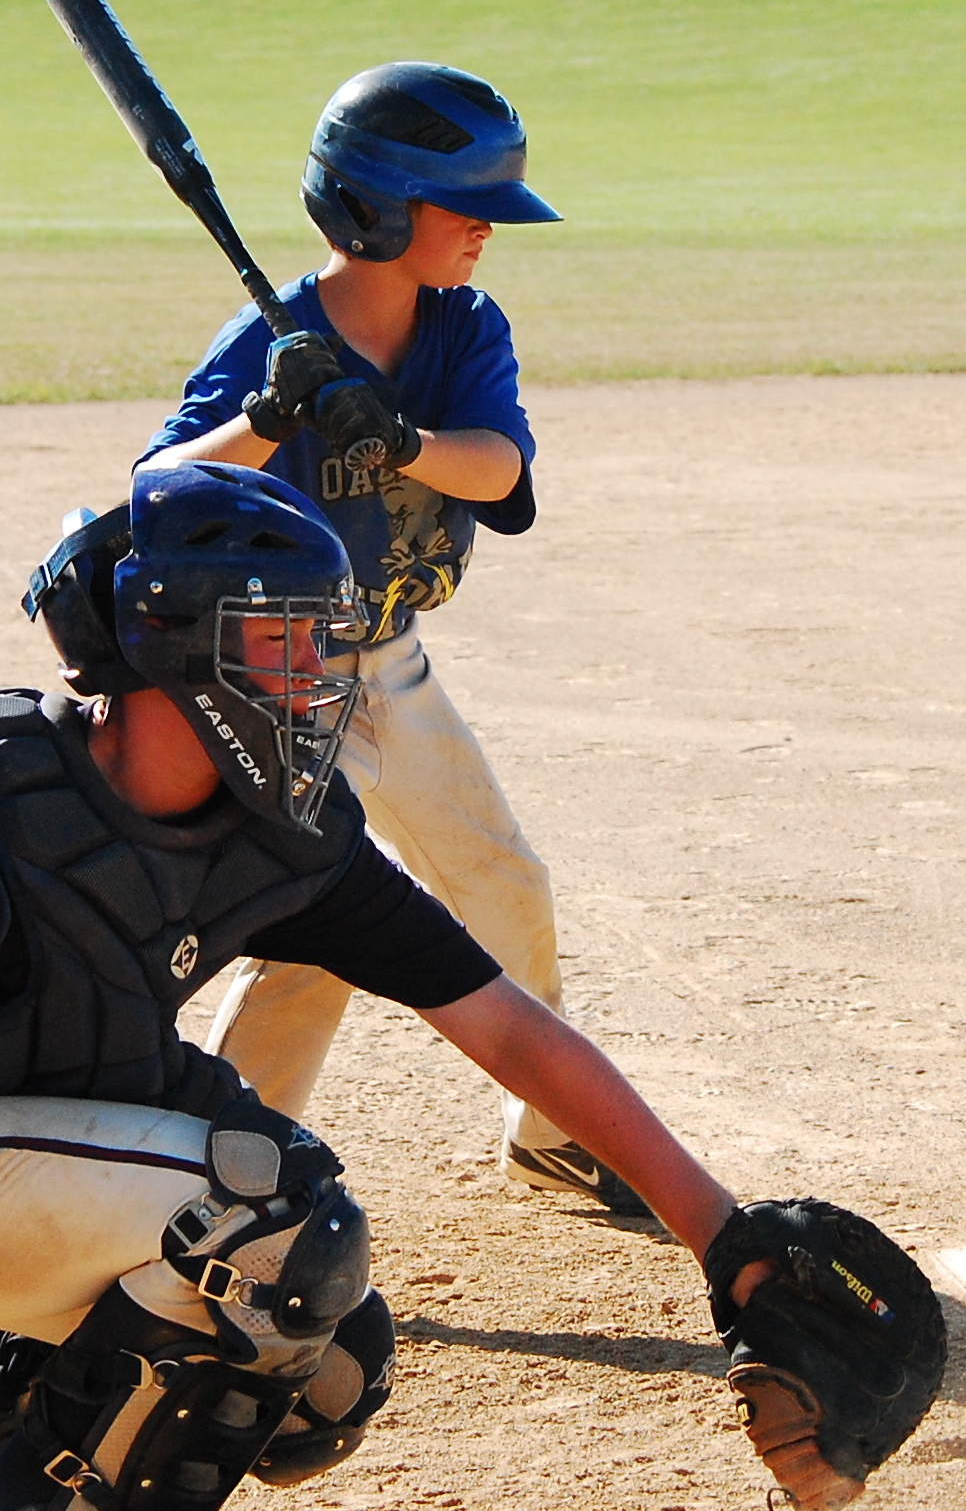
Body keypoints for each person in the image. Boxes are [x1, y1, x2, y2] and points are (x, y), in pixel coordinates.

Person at [0, 462, 942, 1511]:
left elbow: (502, 1021)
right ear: (172, 643)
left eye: (319, 643)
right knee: (267, 1237)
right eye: (280, 641)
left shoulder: (279, 833)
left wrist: (718, 1232)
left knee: (325, 1367)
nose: (315, 676)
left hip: (4, 1177)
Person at [137, 63, 632, 1211]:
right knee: (311, 940)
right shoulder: (270, 341)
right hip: (284, 679)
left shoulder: (463, 326)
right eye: (467, 208)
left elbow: (499, 472)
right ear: (378, 209)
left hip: (391, 662)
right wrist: (266, 416)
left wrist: (399, 436)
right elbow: (155, 489)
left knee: (505, 884)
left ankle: (551, 1131)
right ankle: (220, 1181)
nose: (485, 231)